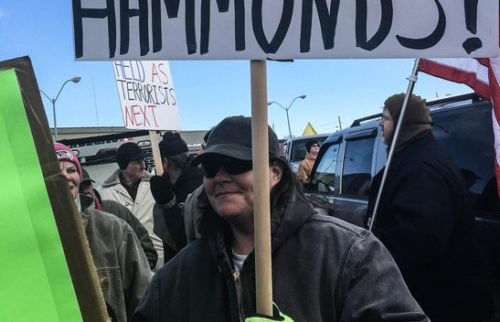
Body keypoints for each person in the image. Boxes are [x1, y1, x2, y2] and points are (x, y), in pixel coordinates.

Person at [133, 116, 429, 322]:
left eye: (236, 164)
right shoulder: (181, 272)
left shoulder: (348, 253)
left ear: (275, 173)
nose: (220, 177)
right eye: (210, 167)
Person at [365, 93, 494, 322]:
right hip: (440, 295)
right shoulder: (414, 156)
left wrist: (370, 243)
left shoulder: (420, 167)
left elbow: (419, 239)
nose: (380, 123)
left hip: (444, 300)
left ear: (403, 123)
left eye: (385, 118)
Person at [55, 143, 152, 321]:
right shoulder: (28, 238)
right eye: (56, 171)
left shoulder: (114, 229)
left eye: (71, 170)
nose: (65, 177)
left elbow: (145, 299)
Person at [99, 142, 164, 268]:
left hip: (159, 258)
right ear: (124, 165)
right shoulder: (103, 193)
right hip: (125, 262)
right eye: (137, 162)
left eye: (143, 161)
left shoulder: (157, 185)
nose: (143, 166)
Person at [80, 168, 158, 270]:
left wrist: (137, 277)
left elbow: (147, 249)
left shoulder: (114, 209)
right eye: (79, 189)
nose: (85, 191)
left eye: (87, 185)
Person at [150, 131, 203, 261]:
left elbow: (182, 239)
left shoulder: (195, 191)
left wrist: (167, 204)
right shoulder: (197, 181)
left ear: (165, 162)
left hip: (191, 265)